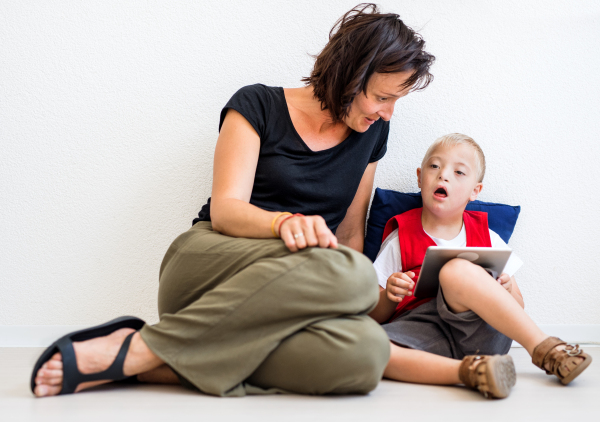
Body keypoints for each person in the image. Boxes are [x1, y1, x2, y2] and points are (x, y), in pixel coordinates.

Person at [31, 4, 436, 397]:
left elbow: (348, 235)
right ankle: (138, 348)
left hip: (296, 290)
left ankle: (151, 365)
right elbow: (226, 211)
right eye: (383, 97)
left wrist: (345, 307)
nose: (388, 113)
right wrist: (282, 224)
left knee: (367, 353)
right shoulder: (256, 104)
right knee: (356, 276)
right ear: (352, 74)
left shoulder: (371, 134)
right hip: (211, 267)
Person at [369, 133, 592, 399]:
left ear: (476, 191)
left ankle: (544, 349)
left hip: (480, 329)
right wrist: (391, 296)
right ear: (420, 177)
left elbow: (517, 306)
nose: (443, 176)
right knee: (368, 345)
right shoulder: (399, 236)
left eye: (459, 172)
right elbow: (374, 316)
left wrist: (507, 288)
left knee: (455, 270)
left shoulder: (489, 237)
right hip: (422, 332)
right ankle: (474, 372)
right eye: (434, 166)